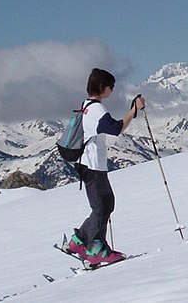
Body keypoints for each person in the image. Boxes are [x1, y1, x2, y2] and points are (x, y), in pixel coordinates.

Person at [67, 68, 145, 265]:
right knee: (101, 207)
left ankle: (86, 242)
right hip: (92, 165)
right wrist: (134, 110)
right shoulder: (96, 109)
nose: (112, 90)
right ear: (102, 87)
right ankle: (92, 245)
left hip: (91, 164)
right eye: (111, 86)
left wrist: (132, 112)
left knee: (106, 203)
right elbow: (116, 129)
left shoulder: (87, 105)